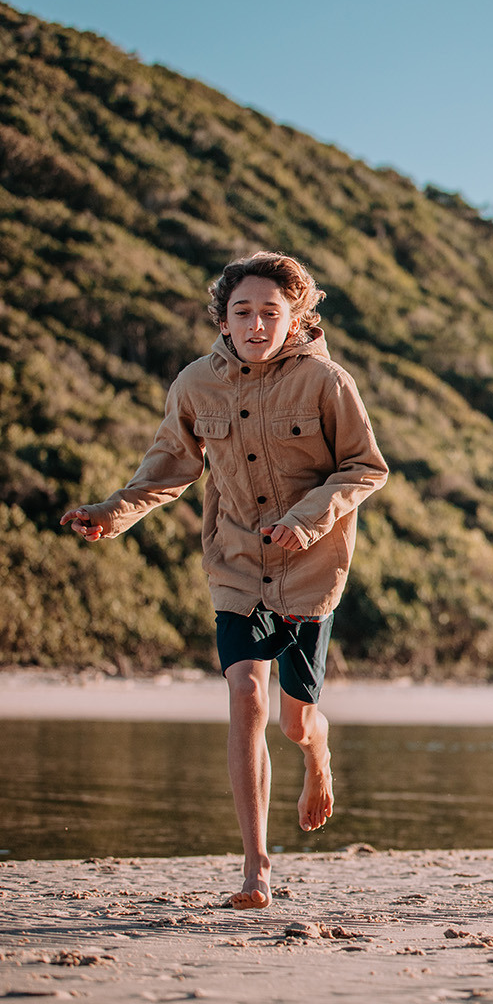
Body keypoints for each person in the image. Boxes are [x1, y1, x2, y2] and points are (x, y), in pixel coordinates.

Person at [60, 251, 388, 909]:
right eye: (244, 311)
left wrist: (305, 520)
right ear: (224, 317)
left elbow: (364, 467)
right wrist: (110, 513)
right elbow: (167, 470)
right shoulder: (194, 385)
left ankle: (317, 752)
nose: (257, 324)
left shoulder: (328, 382)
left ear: (295, 317)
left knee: (295, 723)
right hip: (234, 563)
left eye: (271, 312)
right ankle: (256, 867)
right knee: (245, 697)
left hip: (308, 567)